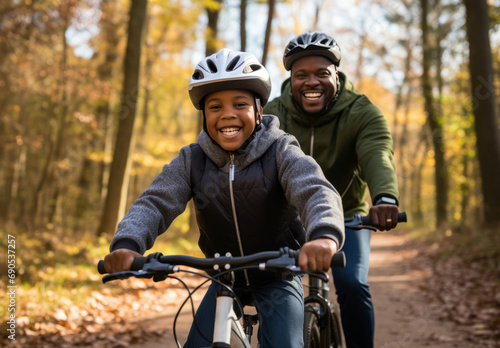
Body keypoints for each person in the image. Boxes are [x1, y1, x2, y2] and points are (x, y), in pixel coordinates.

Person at [103, 48, 345, 347]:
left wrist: (323, 236)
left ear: (258, 111)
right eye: (215, 106)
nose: (227, 113)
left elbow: (314, 190)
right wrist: (128, 244)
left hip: (278, 272)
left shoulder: (281, 151)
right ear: (204, 116)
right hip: (221, 275)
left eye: (240, 104)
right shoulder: (192, 160)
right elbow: (155, 202)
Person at [263, 31, 400, 348]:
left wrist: (384, 198)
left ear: (336, 76)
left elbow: (377, 154)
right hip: (286, 219)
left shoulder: (362, 112)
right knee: (276, 290)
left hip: (347, 215)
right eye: (302, 75)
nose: (312, 82)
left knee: (351, 283)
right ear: (291, 80)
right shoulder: (271, 115)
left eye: (322, 73)